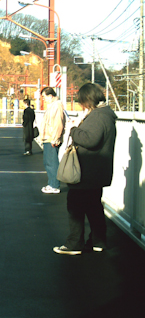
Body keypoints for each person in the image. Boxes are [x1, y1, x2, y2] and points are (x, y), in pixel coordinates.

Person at [54, 83, 117, 255]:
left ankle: (74, 244)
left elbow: (90, 140)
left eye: (82, 101)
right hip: (97, 171)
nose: (82, 105)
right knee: (94, 207)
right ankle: (98, 242)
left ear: (88, 99)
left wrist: (73, 130)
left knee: (75, 206)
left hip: (87, 171)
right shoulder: (106, 114)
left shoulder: (98, 116)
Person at [39, 87, 65, 194]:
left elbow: (58, 123)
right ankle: (51, 183)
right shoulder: (52, 106)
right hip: (48, 138)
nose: (43, 99)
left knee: (52, 162)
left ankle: (54, 185)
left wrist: (55, 138)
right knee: (48, 162)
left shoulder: (57, 106)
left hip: (51, 138)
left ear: (50, 96)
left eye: (44, 97)